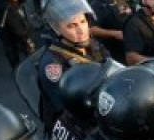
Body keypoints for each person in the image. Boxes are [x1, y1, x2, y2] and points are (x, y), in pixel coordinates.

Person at [38, 0, 110, 129]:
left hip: (100, 102)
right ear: (57, 29)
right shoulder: (52, 64)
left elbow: (110, 66)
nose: (81, 30)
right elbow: (67, 108)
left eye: (83, 22)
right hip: (71, 122)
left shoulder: (91, 44)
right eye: (71, 26)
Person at [0, 0, 34, 70]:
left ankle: (27, 60)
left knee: (22, 38)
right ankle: (17, 67)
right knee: (10, 43)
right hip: (4, 16)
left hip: (11, 13)